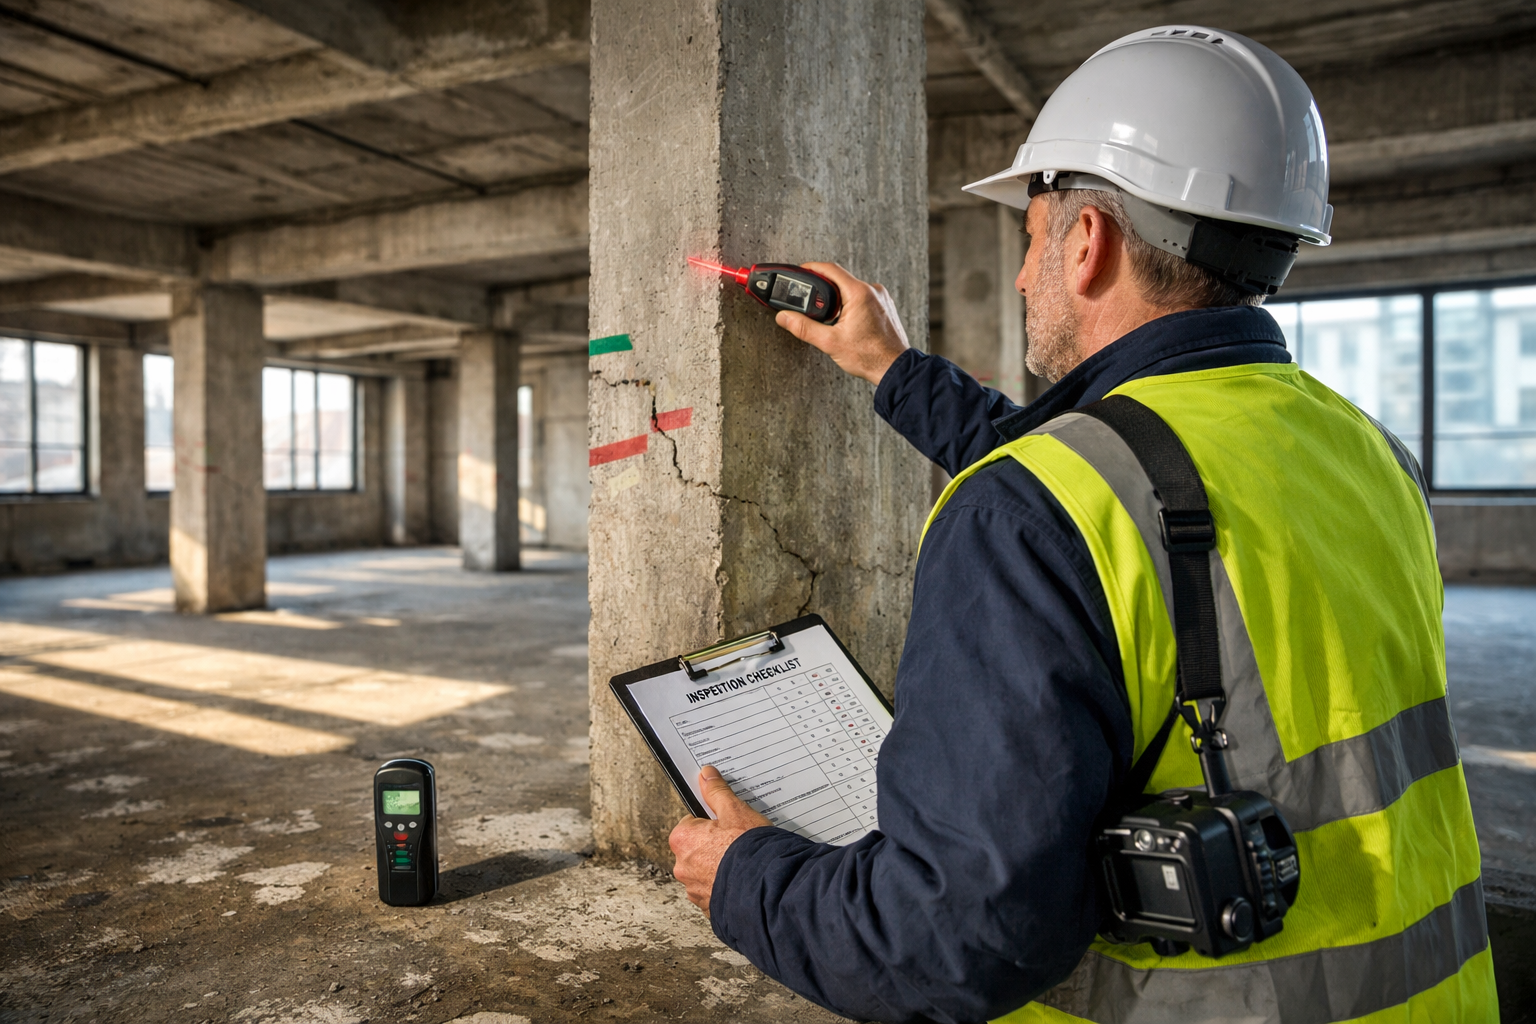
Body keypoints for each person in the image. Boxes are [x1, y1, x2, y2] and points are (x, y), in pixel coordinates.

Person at [669, 26, 1497, 1024]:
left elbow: (947, 943)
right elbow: (1128, 476)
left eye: (1029, 239)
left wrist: (751, 880)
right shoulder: (1365, 451)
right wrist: (891, 365)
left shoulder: (1022, 515)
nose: (1021, 279)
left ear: (1088, 240)